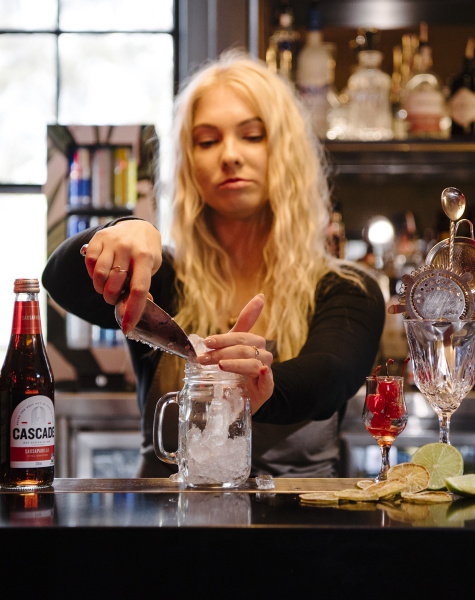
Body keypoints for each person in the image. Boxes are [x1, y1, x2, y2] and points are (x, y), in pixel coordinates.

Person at [42, 50, 385, 477]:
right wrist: (122, 231)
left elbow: (330, 376)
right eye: (207, 141)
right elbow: (60, 279)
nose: (230, 155)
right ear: (188, 164)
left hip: (298, 514)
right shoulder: (158, 279)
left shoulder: (348, 288)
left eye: (252, 135)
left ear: (286, 152)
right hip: (169, 513)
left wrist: (261, 388)